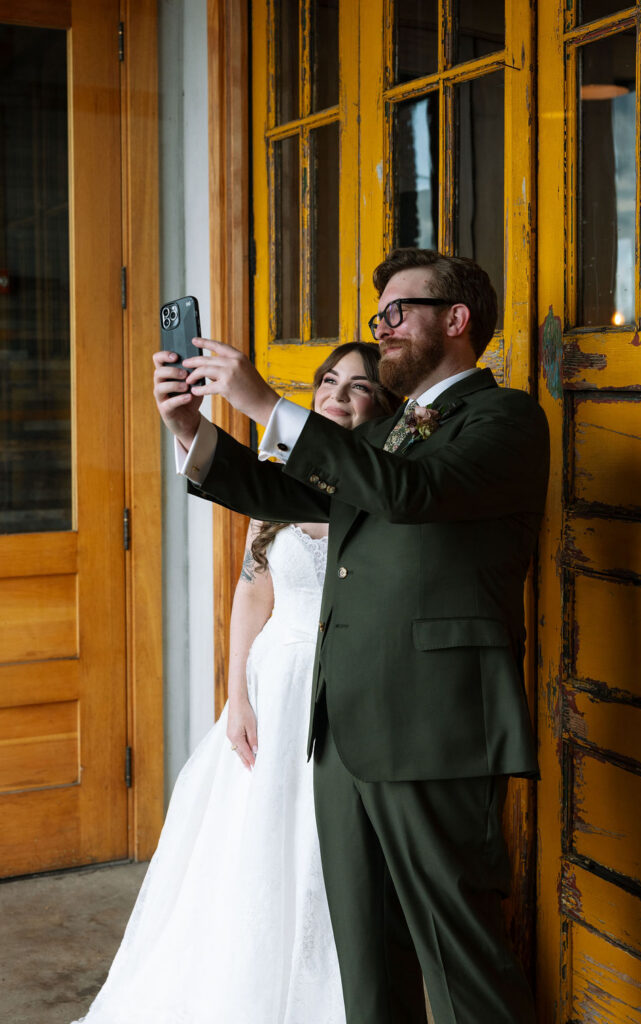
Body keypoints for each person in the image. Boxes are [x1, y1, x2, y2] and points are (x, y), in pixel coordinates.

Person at [160, 248, 550, 1024]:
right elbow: (290, 490)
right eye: (379, 318)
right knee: (366, 963)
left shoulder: (505, 419)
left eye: (397, 313)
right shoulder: (394, 429)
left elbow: (413, 494)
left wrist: (269, 403)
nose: (383, 329)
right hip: (342, 726)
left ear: (457, 319)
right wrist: (192, 430)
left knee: (458, 956)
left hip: (438, 726)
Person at [70, 341, 399, 1024]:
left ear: (384, 405)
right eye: (328, 380)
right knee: (248, 851)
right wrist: (236, 695)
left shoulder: (385, 482)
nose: (336, 395)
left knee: (321, 850)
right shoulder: (281, 471)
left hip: (342, 685)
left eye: (358, 386)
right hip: (272, 685)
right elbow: (254, 592)